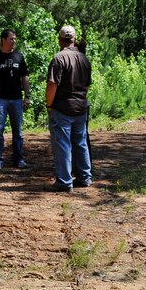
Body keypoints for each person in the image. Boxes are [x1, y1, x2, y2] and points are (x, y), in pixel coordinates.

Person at [45, 25, 92, 192]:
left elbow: (52, 85)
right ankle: (84, 177)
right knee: (80, 143)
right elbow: (86, 86)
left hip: (62, 108)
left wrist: (49, 105)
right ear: (74, 39)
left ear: (60, 40)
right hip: (80, 108)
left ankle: (64, 182)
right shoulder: (84, 59)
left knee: (63, 144)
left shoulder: (59, 59)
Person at [0, 29, 30, 170]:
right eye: (11, 39)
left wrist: (27, 96)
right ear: (3, 40)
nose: (14, 41)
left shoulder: (19, 57)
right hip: (0, 100)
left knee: (18, 132)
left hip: (16, 99)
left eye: (14, 39)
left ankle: (19, 159)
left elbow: (25, 78)